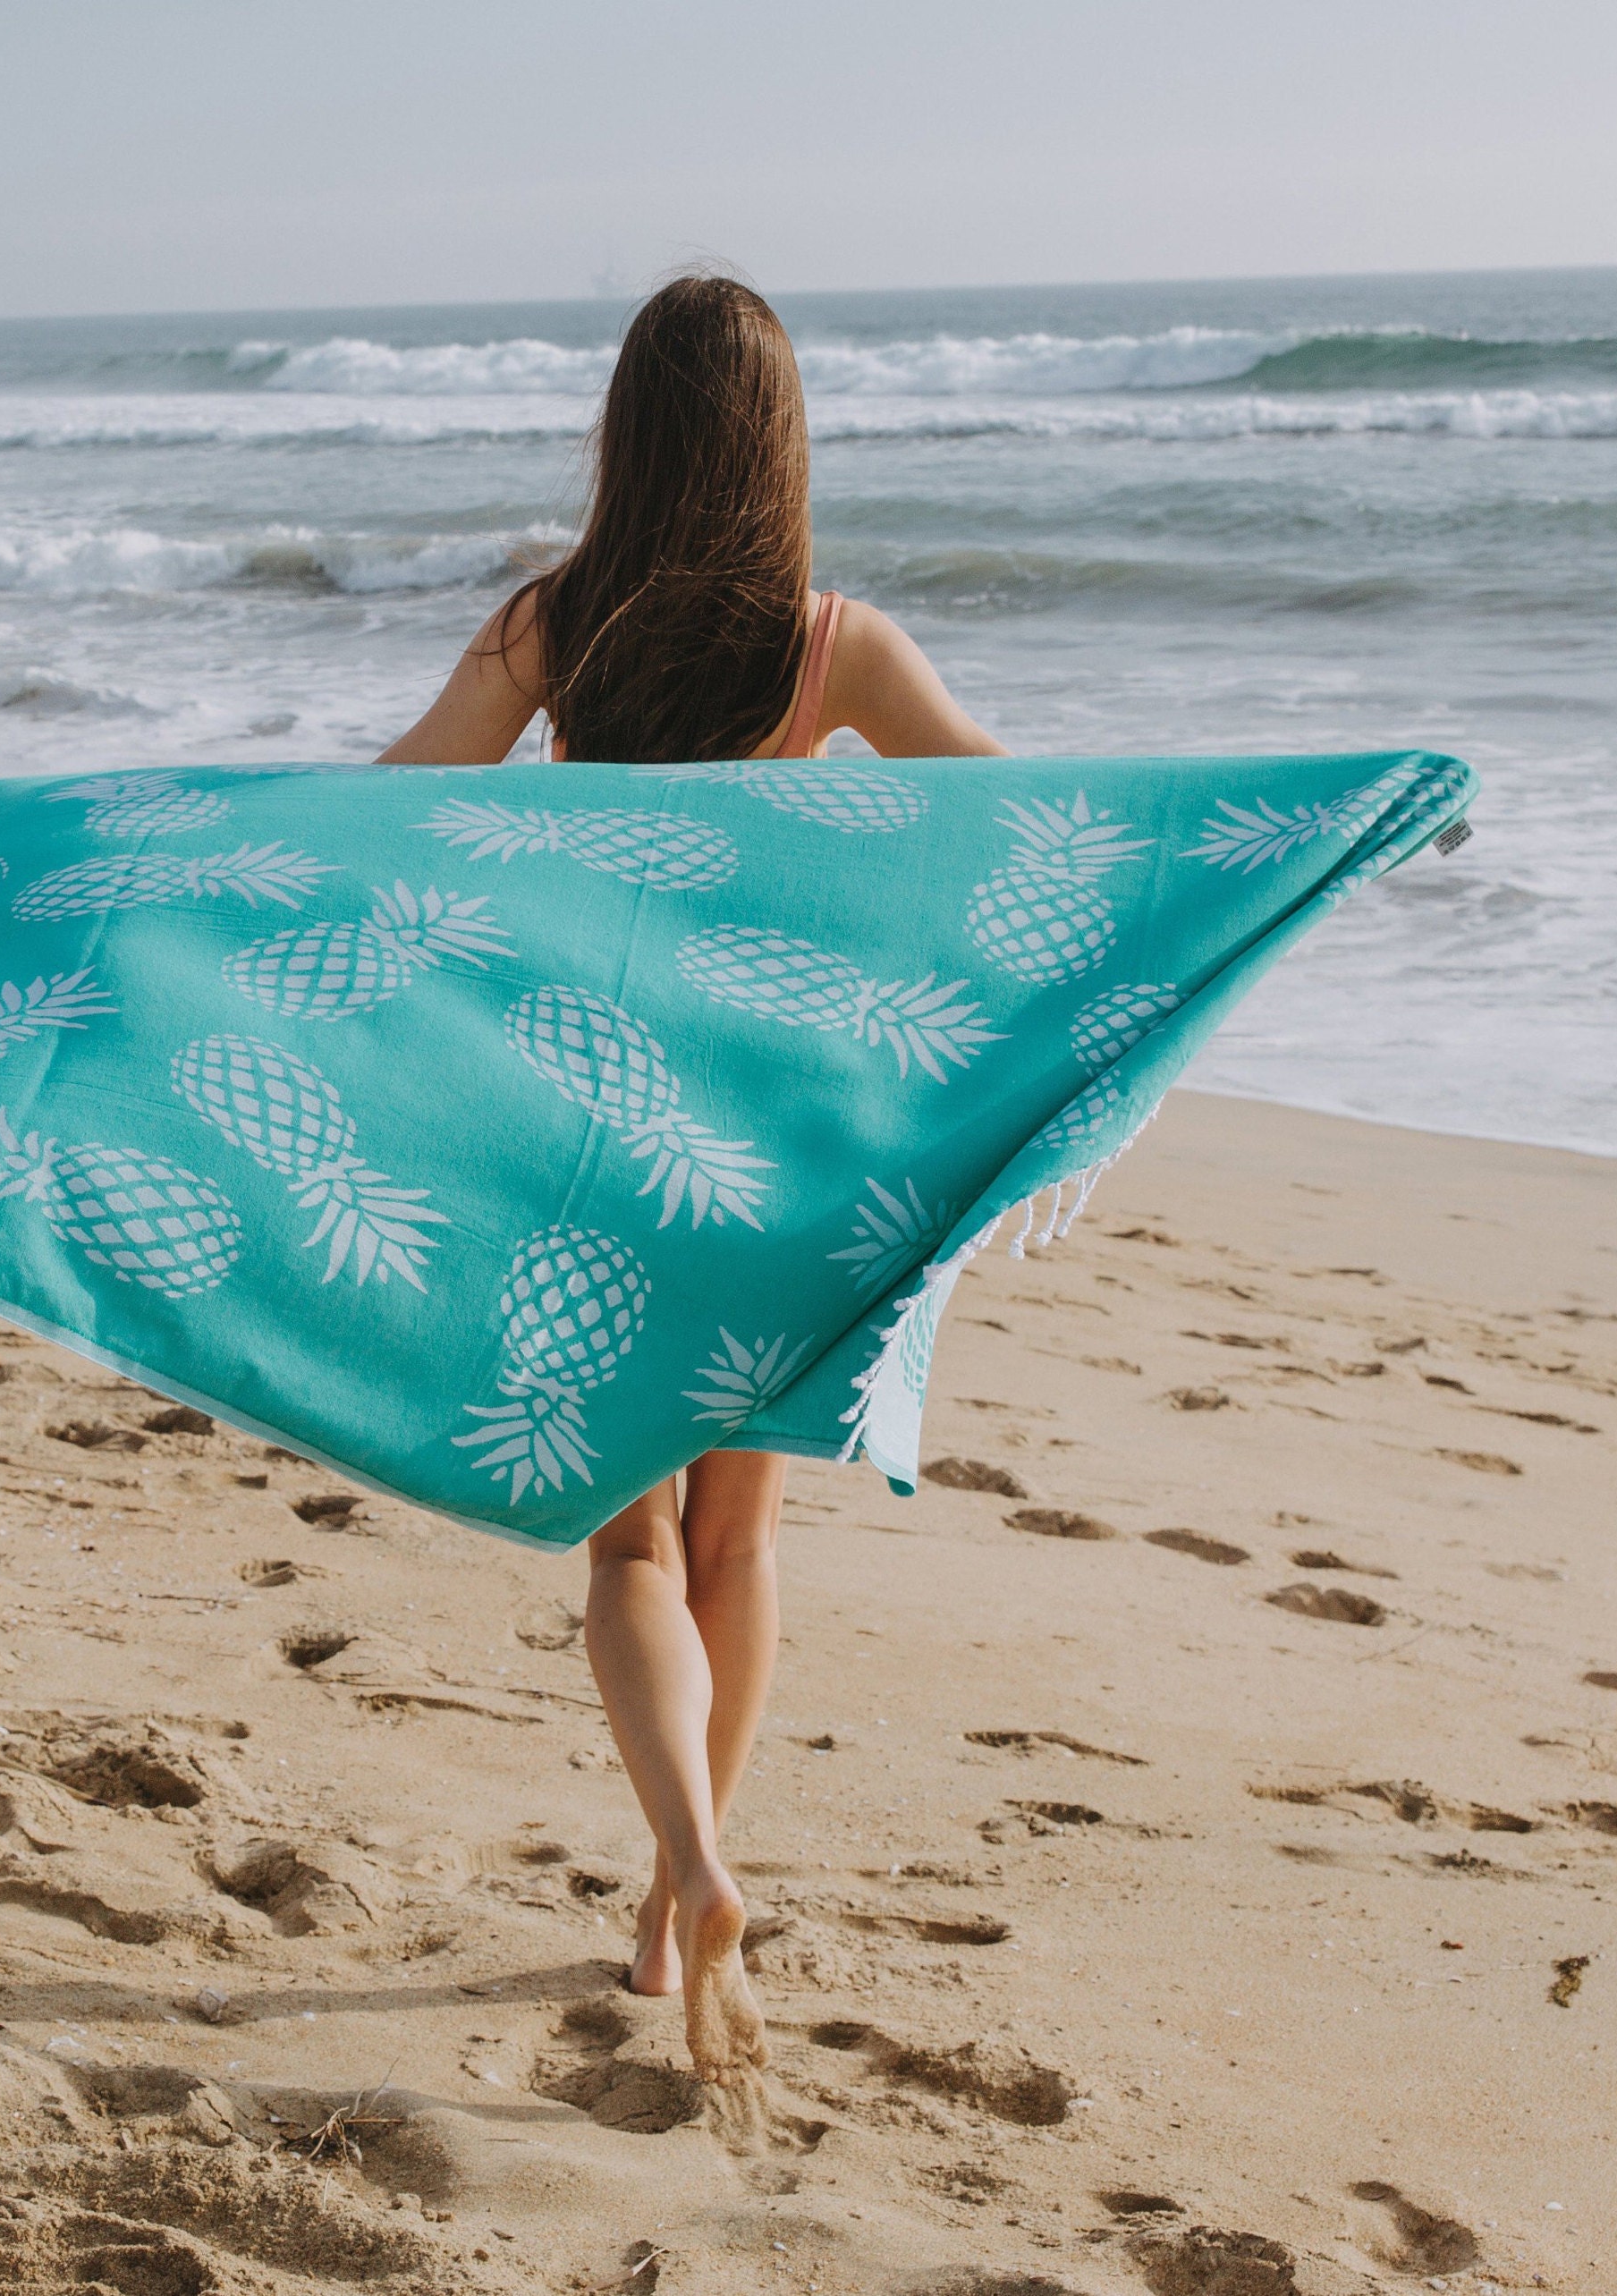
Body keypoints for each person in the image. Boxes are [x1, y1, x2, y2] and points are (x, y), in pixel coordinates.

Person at [379, 275, 1005, 2087]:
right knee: (742, 1538)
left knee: (632, 1542)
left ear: (628, 437)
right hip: (790, 1141)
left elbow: (399, 811)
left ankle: (697, 1863)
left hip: (594, 1132)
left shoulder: (550, 631)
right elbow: (1021, 829)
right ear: (778, 443)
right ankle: (679, 1896)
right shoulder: (841, 648)